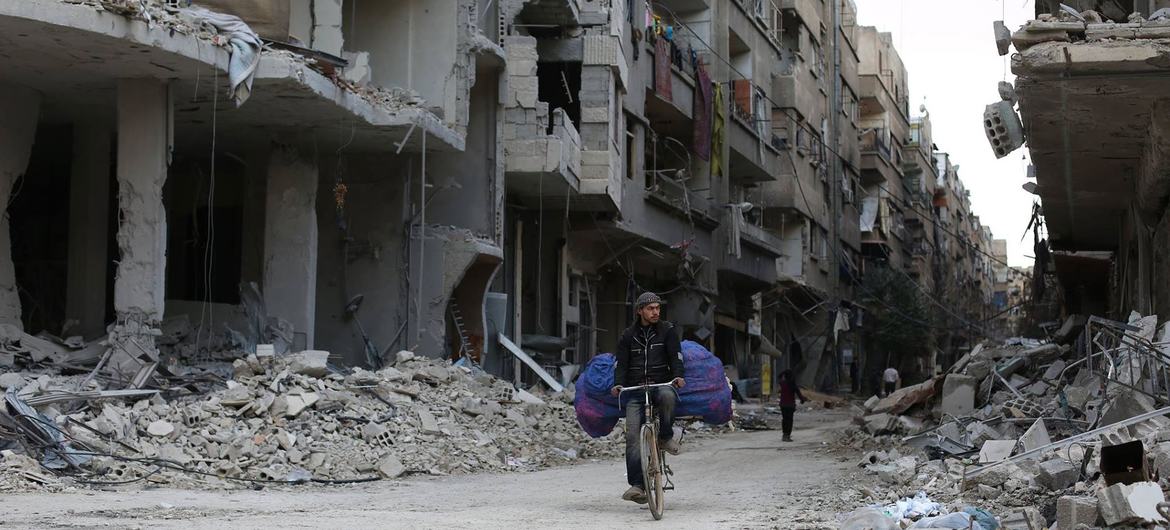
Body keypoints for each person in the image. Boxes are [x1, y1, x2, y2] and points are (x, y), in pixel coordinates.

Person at [610, 292, 685, 504]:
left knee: (668, 397)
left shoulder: (668, 331)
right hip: (635, 389)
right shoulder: (627, 335)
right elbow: (621, 364)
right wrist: (617, 384)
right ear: (640, 311)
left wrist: (678, 376)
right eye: (651, 308)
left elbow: (676, 357)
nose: (655, 312)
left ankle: (664, 436)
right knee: (633, 436)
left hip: (661, 384)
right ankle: (637, 485)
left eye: (658, 308)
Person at [777, 370, 806, 442]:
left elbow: (779, 376)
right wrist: (802, 400)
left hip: (783, 404)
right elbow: (799, 394)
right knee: (789, 420)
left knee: (784, 419)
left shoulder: (782, 384)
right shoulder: (793, 384)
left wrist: (783, 374)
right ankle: (787, 435)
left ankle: (784, 434)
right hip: (790, 405)